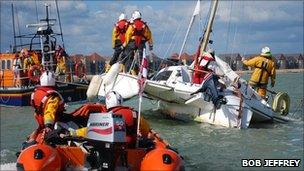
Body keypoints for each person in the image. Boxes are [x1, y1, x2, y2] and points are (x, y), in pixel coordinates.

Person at [67, 91, 152, 147]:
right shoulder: (135, 114)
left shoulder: (107, 117)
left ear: (108, 103)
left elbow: (91, 131)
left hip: (112, 149)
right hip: (131, 147)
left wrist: (75, 132)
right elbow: (146, 130)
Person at [120, 10, 153, 75]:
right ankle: (142, 72)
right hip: (141, 43)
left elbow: (128, 35)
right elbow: (149, 35)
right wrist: (150, 44)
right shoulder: (144, 25)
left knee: (129, 55)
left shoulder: (132, 25)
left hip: (132, 43)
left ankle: (128, 71)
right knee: (142, 57)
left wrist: (124, 45)